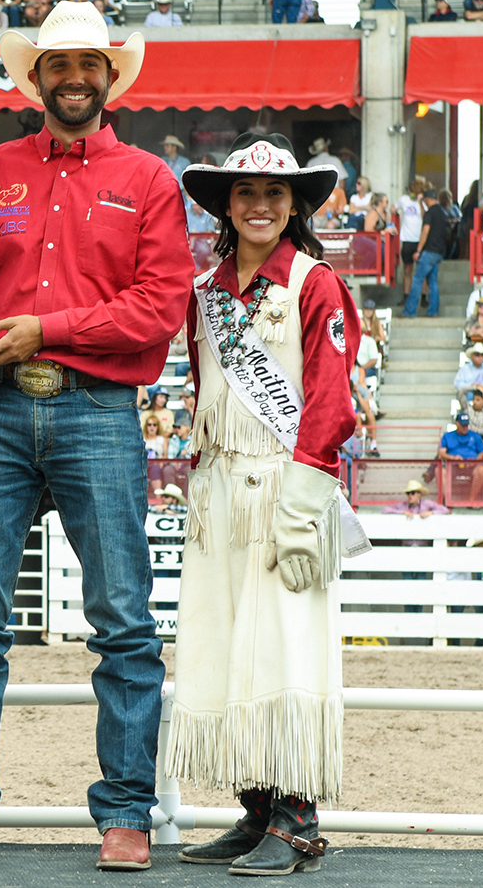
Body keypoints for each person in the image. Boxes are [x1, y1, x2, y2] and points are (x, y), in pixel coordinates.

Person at [0, 3, 190, 871]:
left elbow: (160, 307)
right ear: (33, 76)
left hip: (94, 408)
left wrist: (44, 328)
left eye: (89, 64)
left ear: (109, 77)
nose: (74, 78)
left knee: (122, 620)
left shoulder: (150, 179)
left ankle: (126, 811)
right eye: (58, 64)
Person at [169, 133, 358, 876]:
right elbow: (202, 389)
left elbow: (333, 403)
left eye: (274, 194)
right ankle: (255, 809)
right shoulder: (205, 292)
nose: (258, 205)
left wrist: (304, 505)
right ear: (225, 204)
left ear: (295, 205)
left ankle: (298, 819)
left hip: (287, 483)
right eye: (245, 193)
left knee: (286, 647)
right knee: (220, 645)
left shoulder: (314, 284)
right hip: (220, 487)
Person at [401, 189, 447, 318]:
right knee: (433, 282)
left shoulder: (430, 213)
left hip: (429, 252)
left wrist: (418, 250)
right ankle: (433, 311)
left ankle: (409, 311)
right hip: (438, 252)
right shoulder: (441, 212)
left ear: (427, 199)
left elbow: (425, 232)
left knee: (417, 280)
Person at [395, 177, 425, 297]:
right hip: (407, 239)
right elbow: (394, 208)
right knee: (407, 270)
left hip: (419, 240)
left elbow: (425, 216)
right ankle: (406, 294)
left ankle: (423, 295)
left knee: (421, 271)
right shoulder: (404, 200)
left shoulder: (422, 203)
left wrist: (420, 202)